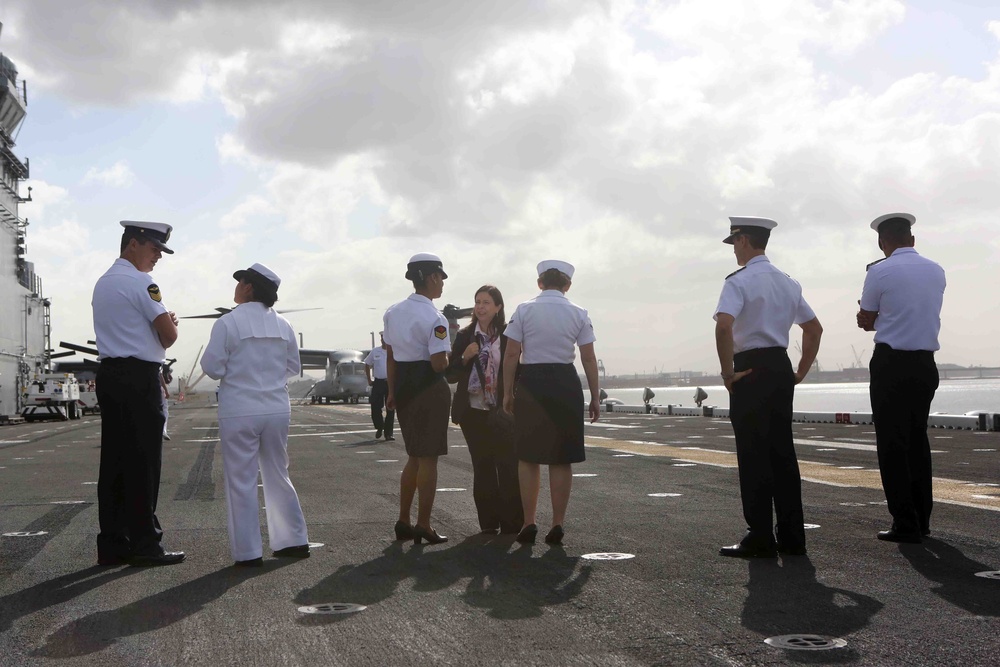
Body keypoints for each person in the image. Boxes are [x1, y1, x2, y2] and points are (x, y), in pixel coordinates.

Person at [714, 217, 823, 559]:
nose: (734, 250)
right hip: (779, 366)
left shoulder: (739, 281)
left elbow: (723, 327)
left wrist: (727, 372)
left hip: (749, 368)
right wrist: (801, 371)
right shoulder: (788, 282)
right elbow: (814, 329)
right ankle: (792, 536)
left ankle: (759, 534)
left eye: (734, 243)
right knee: (783, 453)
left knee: (752, 453)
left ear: (743, 240)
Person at [200, 263, 310, 566]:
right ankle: (293, 541)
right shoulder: (283, 325)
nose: (236, 286)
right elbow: (293, 368)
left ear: (249, 287)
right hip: (276, 408)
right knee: (278, 472)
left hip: (240, 409)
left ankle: (248, 552)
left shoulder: (228, 322)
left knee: (241, 480)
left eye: (240, 281)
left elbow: (212, 367)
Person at [92, 220, 184, 566]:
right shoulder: (143, 282)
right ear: (133, 244)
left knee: (115, 462)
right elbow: (169, 337)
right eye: (154, 248)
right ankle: (146, 543)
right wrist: (169, 322)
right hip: (139, 377)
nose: (158, 256)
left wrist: (161, 324)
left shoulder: (104, 282)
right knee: (144, 461)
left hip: (111, 375)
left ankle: (114, 544)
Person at [857, 213, 945, 544]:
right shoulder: (936, 270)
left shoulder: (879, 270)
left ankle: (904, 522)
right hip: (925, 363)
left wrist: (869, 320)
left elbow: (868, 316)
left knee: (892, 444)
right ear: (912, 239)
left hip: (891, 363)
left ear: (883, 243)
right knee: (917, 440)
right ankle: (922, 519)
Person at [502, 260, 601, 545]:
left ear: (540, 282)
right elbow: (589, 358)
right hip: (565, 382)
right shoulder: (579, 312)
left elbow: (511, 355)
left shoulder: (524, 309)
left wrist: (508, 391)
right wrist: (595, 395)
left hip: (532, 381)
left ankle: (529, 521)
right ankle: (557, 523)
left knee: (528, 456)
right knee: (561, 456)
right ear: (567, 285)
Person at [383, 253, 452, 545]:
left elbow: (390, 354)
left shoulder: (392, 312)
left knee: (413, 456)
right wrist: (455, 356)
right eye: (441, 279)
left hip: (405, 388)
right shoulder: (436, 318)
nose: (442, 286)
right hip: (429, 387)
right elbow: (439, 364)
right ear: (433, 277)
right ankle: (423, 523)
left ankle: (403, 519)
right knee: (429, 459)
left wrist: (391, 392)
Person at [447, 285, 523, 535]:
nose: (480, 307)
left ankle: (512, 524)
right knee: (483, 466)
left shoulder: (508, 335)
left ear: (498, 307)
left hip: (502, 410)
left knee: (508, 465)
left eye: (486, 302)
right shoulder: (466, 336)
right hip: (473, 411)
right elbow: (450, 375)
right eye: (477, 302)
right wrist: (464, 358)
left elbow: (518, 372)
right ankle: (489, 524)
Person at [364, 332, 395, 441]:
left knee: (390, 408)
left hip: (390, 383)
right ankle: (379, 426)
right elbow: (367, 364)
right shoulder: (375, 351)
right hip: (378, 382)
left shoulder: (394, 351)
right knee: (375, 406)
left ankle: (389, 433)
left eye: (385, 338)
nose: (383, 340)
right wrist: (369, 379)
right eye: (382, 338)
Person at [159, 368, 171, 441]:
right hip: (157, 387)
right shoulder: (156, 360)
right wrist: (166, 390)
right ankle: (163, 430)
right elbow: (160, 376)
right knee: (164, 410)